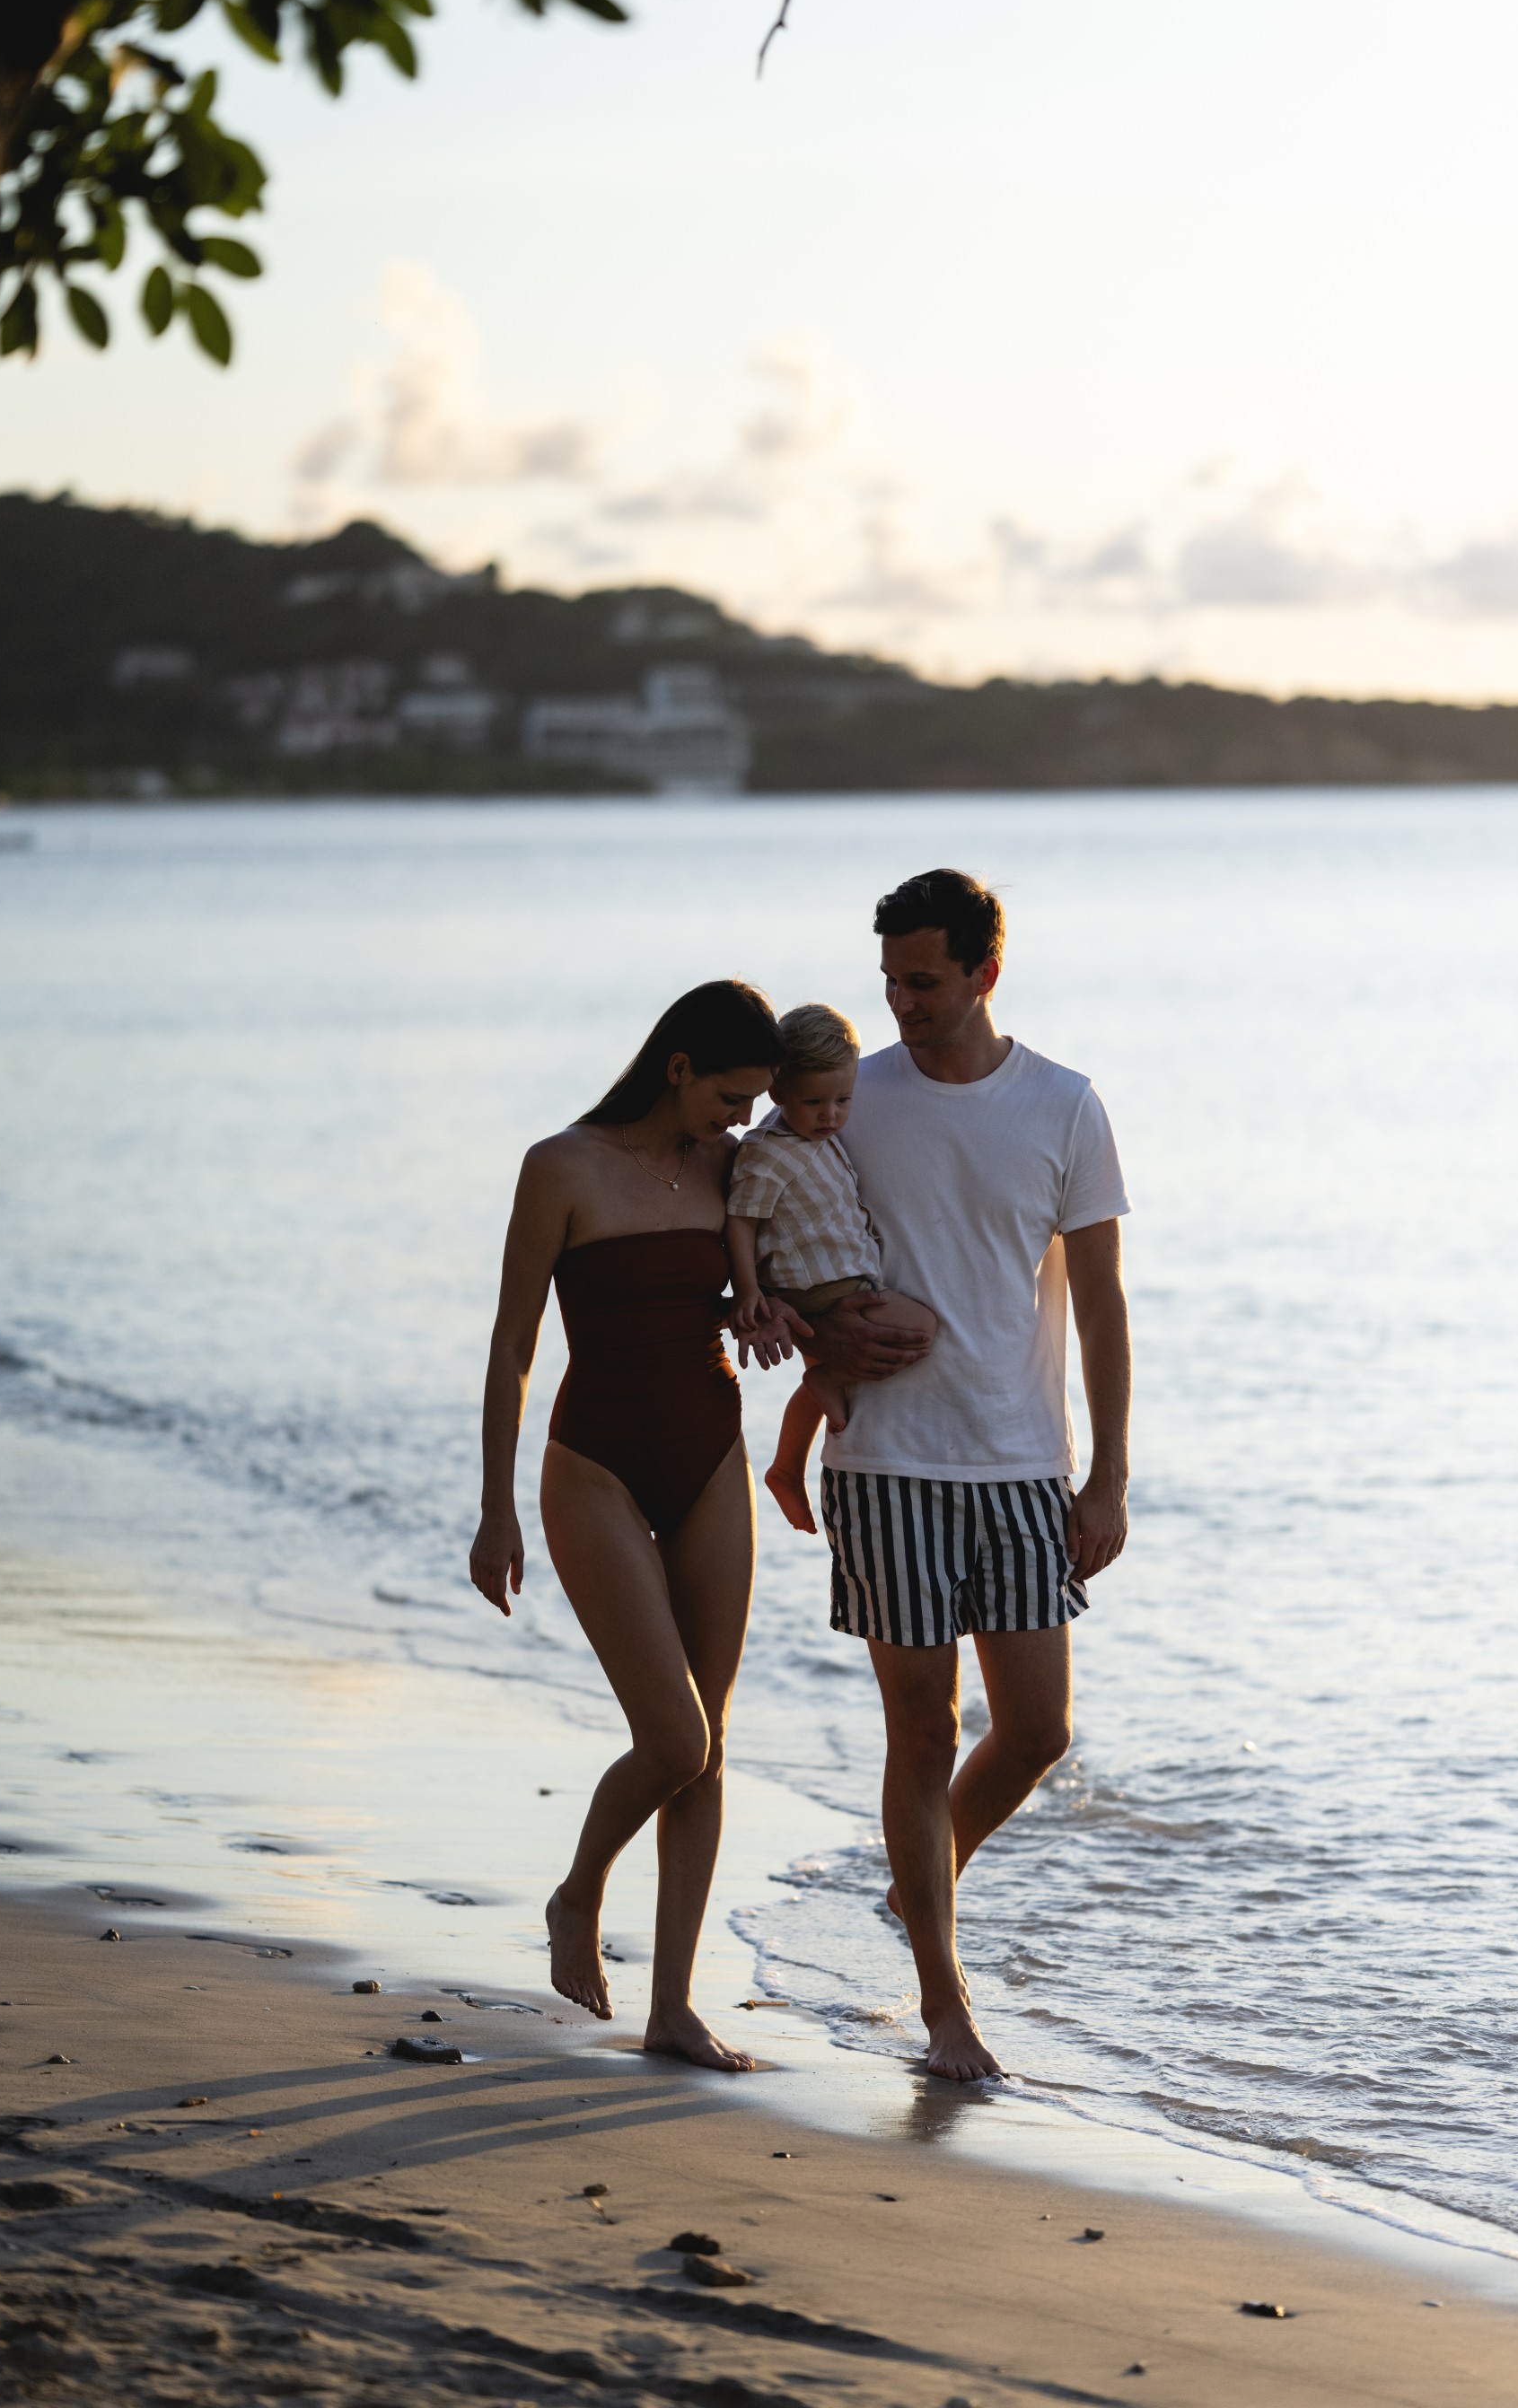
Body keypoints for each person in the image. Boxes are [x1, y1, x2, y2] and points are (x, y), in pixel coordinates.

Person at [780, 868, 1132, 2084]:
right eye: (890, 981)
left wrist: (1108, 1478)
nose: (902, 1002)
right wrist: (820, 1343)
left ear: (986, 972)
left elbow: (1103, 1305)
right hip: (886, 1459)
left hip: (1023, 1460)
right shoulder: (852, 1102)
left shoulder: (1065, 1106)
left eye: (923, 981)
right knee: (921, 1734)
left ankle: (915, 1883)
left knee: (1036, 1730)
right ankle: (944, 2000)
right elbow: (771, 1236)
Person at [468, 977, 786, 2072]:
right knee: (675, 1739)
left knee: (711, 1748)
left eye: (758, 1103)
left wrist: (779, 1313)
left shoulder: (736, 1169)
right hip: (594, 1468)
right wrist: (495, 1508)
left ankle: (675, 2009)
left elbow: (786, 1275)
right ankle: (580, 1891)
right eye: (732, 1096)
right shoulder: (560, 1166)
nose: (742, 1119)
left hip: (710, 1457)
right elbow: (513, 1345)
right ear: (679, 1067)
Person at [724, 1000, 937, 1535]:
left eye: (843, 1100)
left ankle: (786, 1468)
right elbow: (741, 1222)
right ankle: (821, 1389)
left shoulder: (818, 1139)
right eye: (814, 1102)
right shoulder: (767, 1151)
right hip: (818, 1286)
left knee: (828, 1390)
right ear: (777, 1091)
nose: (830, 1115)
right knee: (921, 1327)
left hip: (842, 1280)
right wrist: (748, 1291)